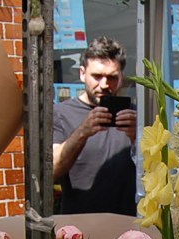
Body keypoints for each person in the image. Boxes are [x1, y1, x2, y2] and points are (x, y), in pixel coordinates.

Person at [52, 37, 137, 215]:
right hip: (80, 227)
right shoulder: (61, 113)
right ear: (82, 73)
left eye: (112, 77)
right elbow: (52, 169)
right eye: (97, 76)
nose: (104, 84)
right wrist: (83, 132)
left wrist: (138, 138)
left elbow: (158, 170)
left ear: (121, 77)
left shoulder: (135, 116)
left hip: (128, 225)